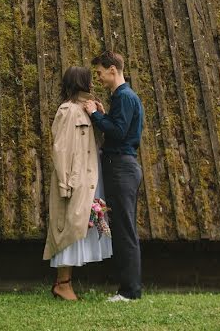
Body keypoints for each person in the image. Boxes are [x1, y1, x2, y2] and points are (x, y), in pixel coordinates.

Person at [43, 66, 113, 301]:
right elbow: (60, 149)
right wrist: (65, 183)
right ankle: (62, 285)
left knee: (81, 228)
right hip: (75, 181)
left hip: (89, 179)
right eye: (89, 81)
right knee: (69, 230)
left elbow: (97, 144)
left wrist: (99, 117)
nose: (93, 85)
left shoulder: (86, 109)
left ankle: (65, 283)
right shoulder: (68, 110)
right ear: (80, 83)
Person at [83, 50, 144, 302]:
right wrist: (104, 114)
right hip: (121, 167)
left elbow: (118, 133)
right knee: (122, 228)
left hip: (122, 168)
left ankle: (129, 292)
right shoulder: (121, 97)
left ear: (112, 70)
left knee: (125, 230)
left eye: (99, 73)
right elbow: (120, 126)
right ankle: (128, 289)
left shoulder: (124, 96)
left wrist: (95, 115)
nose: (98, 78)